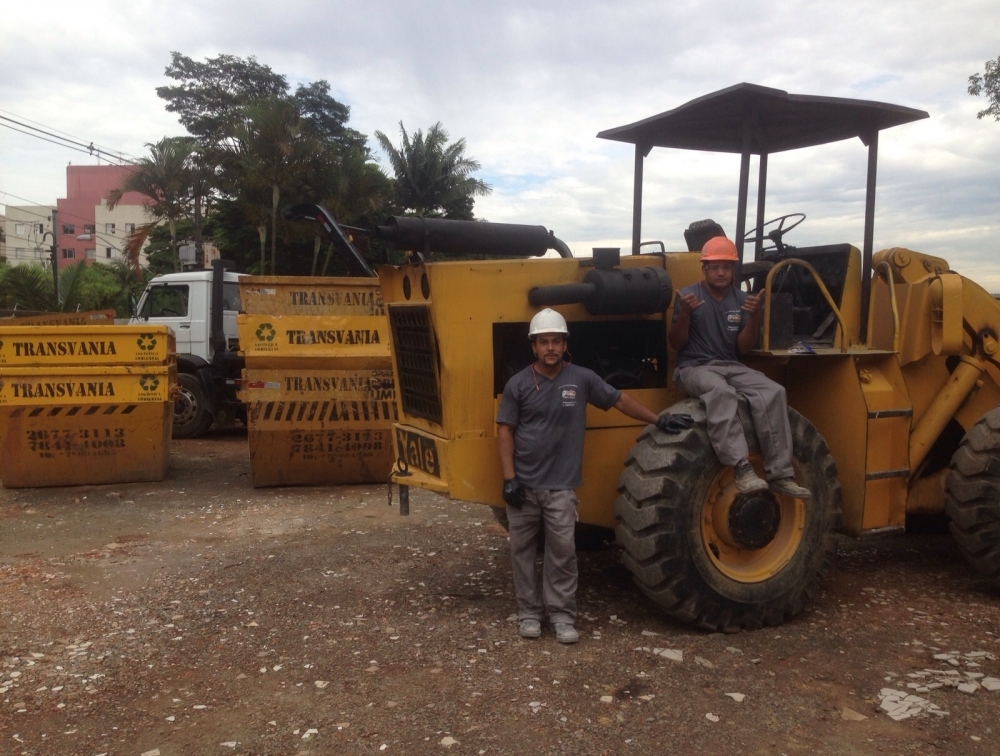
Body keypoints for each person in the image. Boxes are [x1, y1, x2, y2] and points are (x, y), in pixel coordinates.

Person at [496, 308, 691, 644]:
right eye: (544, 342)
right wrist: (509, 477)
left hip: (561, 488)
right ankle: (529, 614)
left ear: (564, 344)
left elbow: (620, 400)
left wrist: (657, 420)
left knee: (562, 553)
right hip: (524, 486)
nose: (551, 348)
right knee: (522, 553)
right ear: (534, 347)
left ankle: (561, 616)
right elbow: (505, 431)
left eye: (556, 341)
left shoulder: (582, 379)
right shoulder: (518, 384)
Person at [668, 235, 812, 499]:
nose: (720, 272)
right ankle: (741, 467)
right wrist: (685, 314)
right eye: (714, 266)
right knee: (721, 392)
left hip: (730, 365)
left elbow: (744, 348)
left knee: (774, 391)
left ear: (733, 270)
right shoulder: (689, 295)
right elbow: (677, 343)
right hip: (694, 367)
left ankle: (781, 474)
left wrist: (754, 315)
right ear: (704, 269)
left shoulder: (742, 300)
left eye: (726, 266)